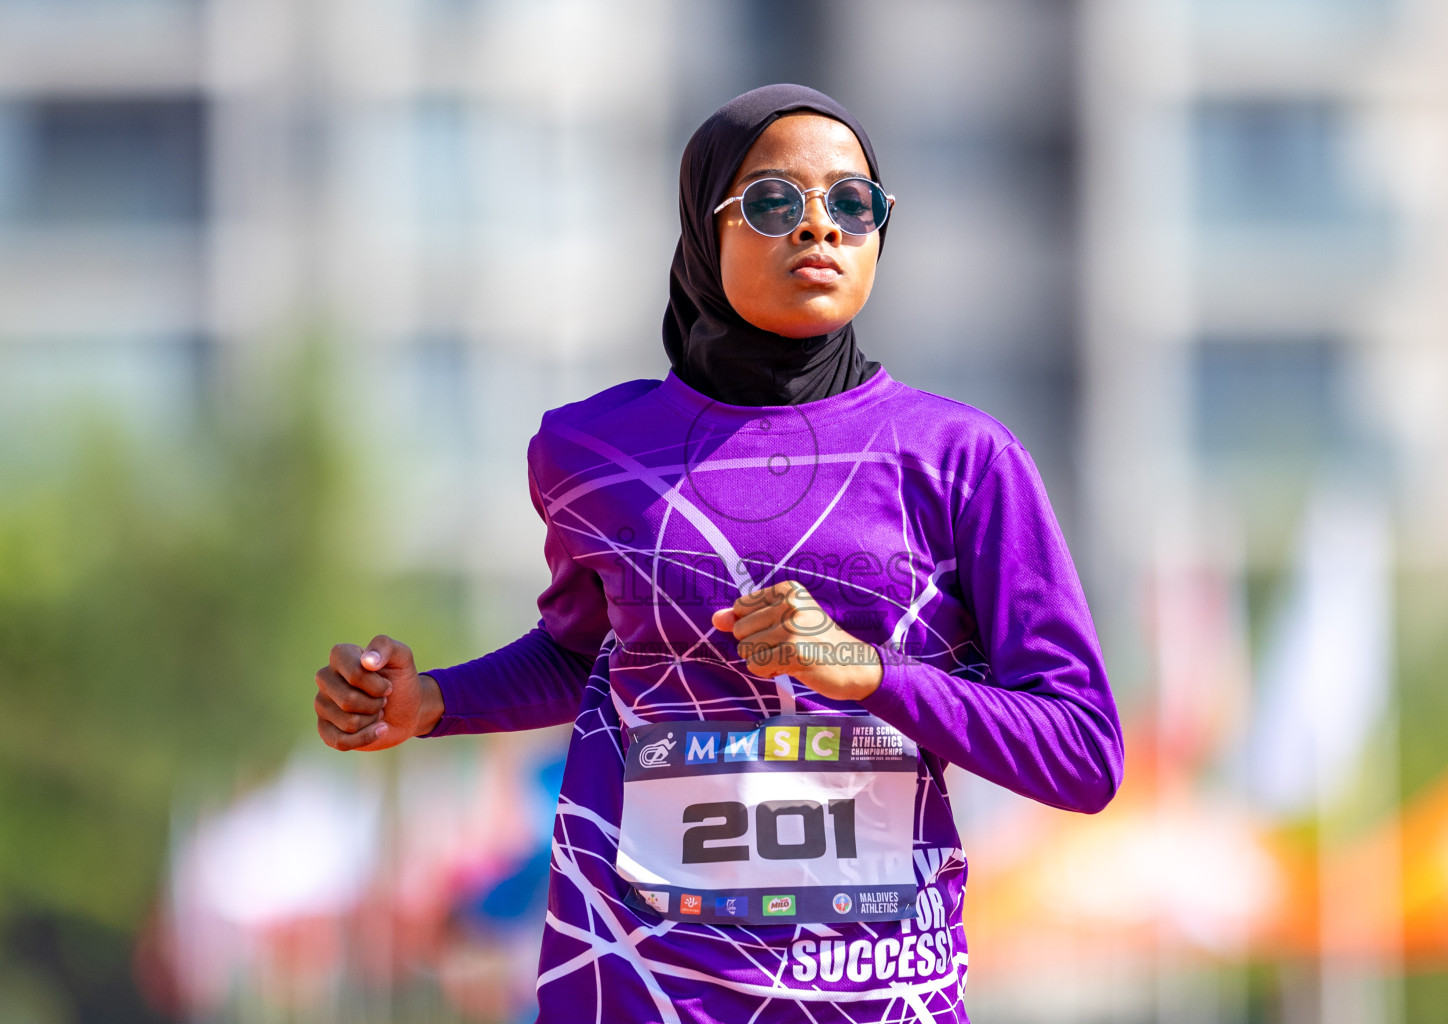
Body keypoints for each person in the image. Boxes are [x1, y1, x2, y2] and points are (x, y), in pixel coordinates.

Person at [313, 83, 1123, 1023]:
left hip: (870, 999)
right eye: (776, 203)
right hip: (634, 983)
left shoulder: (963, 458)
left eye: (852, 205)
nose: (819, 229)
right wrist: (431, 703)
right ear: (707, 229)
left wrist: (868, 672)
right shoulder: (588, 453)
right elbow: (588, 654)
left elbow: (1083, 753)